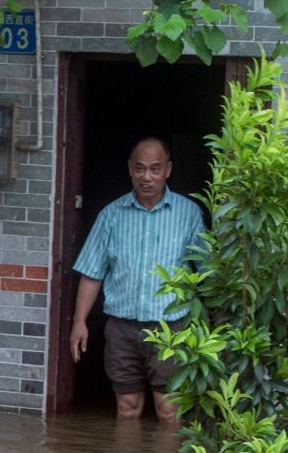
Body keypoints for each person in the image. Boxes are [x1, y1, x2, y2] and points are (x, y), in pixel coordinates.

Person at [69, 136, 204, 424]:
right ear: (130, 168)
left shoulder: (188, 213)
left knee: (168, 409)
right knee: (127, 408)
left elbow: (207, 272)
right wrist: (79, 322)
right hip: (121, 328)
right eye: (140, 168)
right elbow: (92, 272)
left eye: (155, 169)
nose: (147, 177)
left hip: (171, 329)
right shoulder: (111, 215)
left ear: (168, 170)